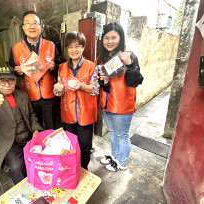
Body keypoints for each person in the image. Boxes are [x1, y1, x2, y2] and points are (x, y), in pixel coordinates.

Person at [0, 66, 43, 185]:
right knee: (17, 166)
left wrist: (36, 129)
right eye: (1, 80)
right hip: (8, 144)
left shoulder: (22, 95)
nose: (7, 84)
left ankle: (41, 184)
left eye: (10, 79)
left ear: (15, 80)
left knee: (46, 155)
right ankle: (25, 191)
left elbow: (31, 114)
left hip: (28, 138)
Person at [97, 22, 144, 172]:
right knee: (113, 133)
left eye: (113, 37)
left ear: (120, 38)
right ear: (102, 40)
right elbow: (99, 82)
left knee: (122, 135)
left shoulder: (129, 56)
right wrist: (100, 77)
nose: (109, 41)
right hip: (106, 102)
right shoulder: (101, 58)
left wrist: (130, 65)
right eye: (106, 38)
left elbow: (135, 81)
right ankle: (115, 156)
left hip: (122, 103)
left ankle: (122, 162)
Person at [54, 31, 99, 169]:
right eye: (70, 47)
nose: (74, 50)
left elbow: (96, 89)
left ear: (83, 47)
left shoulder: (91, 66)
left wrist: (81, 86)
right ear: (67, 48)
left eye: (77, 46)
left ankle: (83, 169)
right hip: (68, 114)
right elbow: (57, 91)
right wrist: (58, 89)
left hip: (85, 114)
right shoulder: (61, 68)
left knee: (85, 147)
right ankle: (72, 170)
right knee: (70, 146)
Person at [9, 10, 59, 130]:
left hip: (49, 94)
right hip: (29, 95)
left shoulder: (51, 45)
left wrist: (54, 67)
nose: (32, 26)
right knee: (35, 127)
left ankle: (52, 146)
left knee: (52, 126)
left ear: (40, 27)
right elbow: (11, 72)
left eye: (35, 23)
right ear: (23, 27)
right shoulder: (15, 48)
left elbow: (60, 67)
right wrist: (16, 71)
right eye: (28, 23)